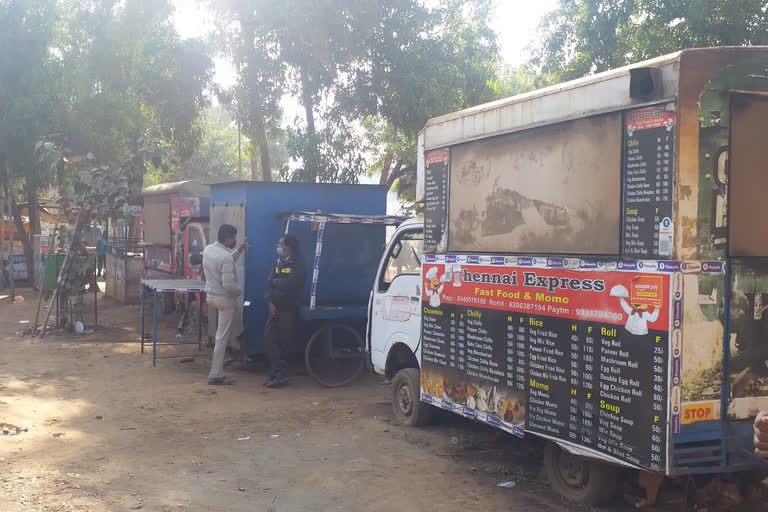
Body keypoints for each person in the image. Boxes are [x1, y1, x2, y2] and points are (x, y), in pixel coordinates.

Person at [202, 224, 247, 385]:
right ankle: (216, 374)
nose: (235, 240)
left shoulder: (208, 249)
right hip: (224, 299)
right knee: (221, 337)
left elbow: (224, 262)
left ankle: (243, 351)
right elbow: (228, 284)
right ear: (228, 239)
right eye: (234, 238)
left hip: (211, 296)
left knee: (235, 328)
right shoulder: (225, 257)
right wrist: (239, 291)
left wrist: (239, 251)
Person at [264, 234, 306, 388]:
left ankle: (281, 374)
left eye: (280, 244)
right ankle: (276, 371)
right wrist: (270, 301)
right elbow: (269, 282)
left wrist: (276, 281)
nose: (278, 246)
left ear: (288, 247)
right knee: (269, 339)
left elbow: (291, 285)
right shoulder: (279, 262)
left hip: (287, 308)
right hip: (275, 307)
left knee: (282, 342)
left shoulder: (298, 264)